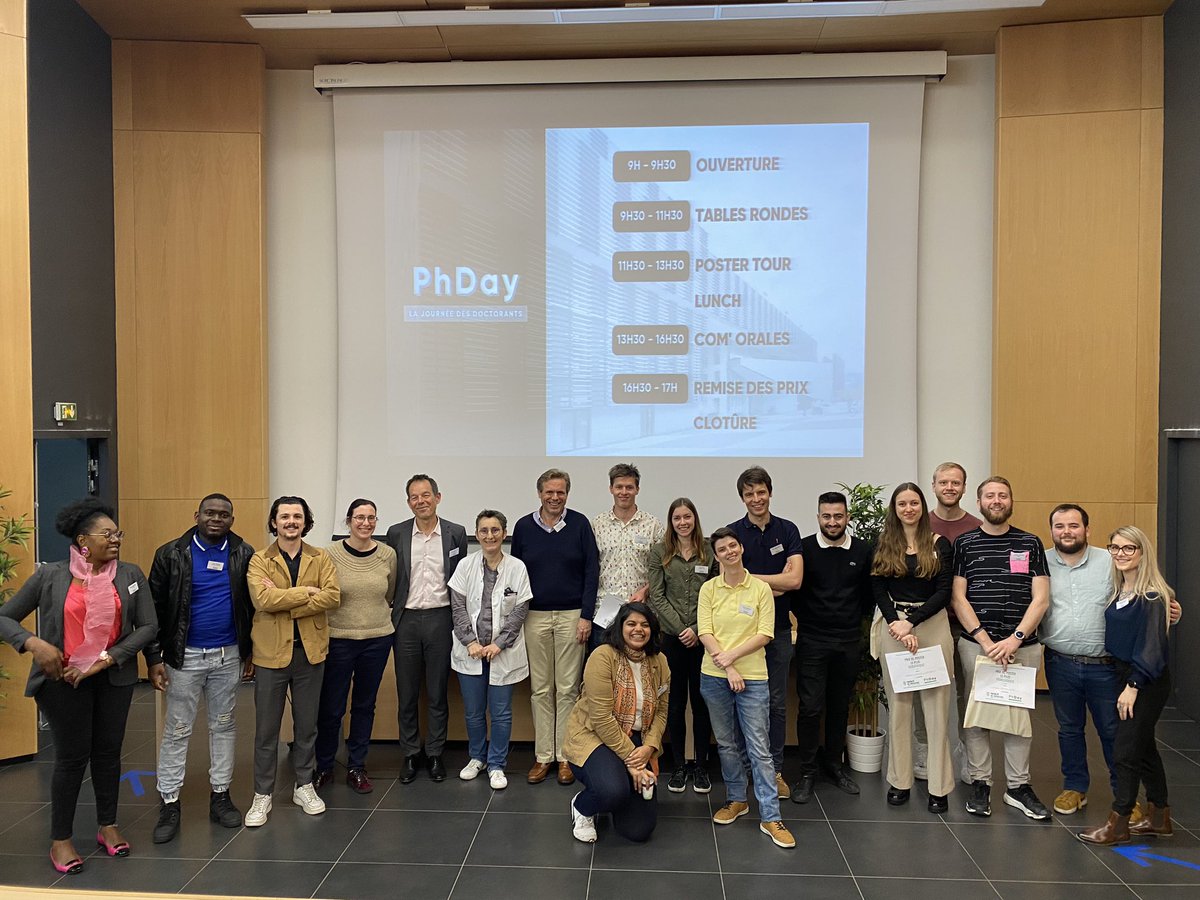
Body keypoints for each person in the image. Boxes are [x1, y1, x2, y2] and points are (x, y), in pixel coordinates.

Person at [0, 499, 157, 874]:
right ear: (83, 541)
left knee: (108, 753)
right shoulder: (50, 576)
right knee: (71, 759)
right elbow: (5, 618)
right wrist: (34, 644)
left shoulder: (130, 574)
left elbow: (149, 627)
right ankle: (61, 840)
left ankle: (107, 825)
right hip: (63, 681)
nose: (116, 539)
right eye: (108, 534)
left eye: (118, 533)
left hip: (113, 678)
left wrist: (109, 659)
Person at [1044, 504, 1182, 817]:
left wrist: (1171, 610)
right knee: (1069, 728)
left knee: (1114, 732)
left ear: (1087, 529)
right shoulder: (1042, 562)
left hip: (1105, 666)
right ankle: (1075, 788)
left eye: (1074, 525)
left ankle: (1126, 796)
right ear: (1051, 530)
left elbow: (1147, 594)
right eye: (1060, 526)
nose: (1067, 531)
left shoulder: (1110, 560)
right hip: (1060, 661)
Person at [148, 493, 255, 844]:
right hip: (185, 656)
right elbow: (154, 610)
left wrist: (249, 653)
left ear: (231, 520)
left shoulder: (244, 553)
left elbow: (251, 609)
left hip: (229, 655)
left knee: (223, 726)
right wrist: (154, 658)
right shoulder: (170, 554)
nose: (216, 518)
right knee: (178, 729)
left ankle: (220, 796)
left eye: (224, 514)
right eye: (209, 512)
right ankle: (169, 802)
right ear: (196, 515)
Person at [951, 476, 1050, 820]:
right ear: (978, 503)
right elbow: (958, 597)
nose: (996, 500)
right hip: (977, 645)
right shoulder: (964, 543)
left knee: (1016, 717)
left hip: (1022, 646)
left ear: (1011, 501)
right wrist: (985, 640)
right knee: (976, 717)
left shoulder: (1030, 542)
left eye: (1002, 495)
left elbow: (1041, 598)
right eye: (989, 496)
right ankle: (981, 783)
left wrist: (1015, 639)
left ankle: (1018, 787)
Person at [245, 496, 341, 827]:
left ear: (305, 521)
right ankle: (263, 794)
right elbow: (262, 599)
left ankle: (304, 785)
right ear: (273, 522)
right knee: (267, 729)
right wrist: (307, 593)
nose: (290, 521)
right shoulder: (259, 559)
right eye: (284, 516)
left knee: (307, 725)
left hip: (310, 653)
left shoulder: (321, 557)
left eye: (297, 516)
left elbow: (333, 597)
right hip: (271, 655)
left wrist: (286, 600)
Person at [1079, 526, 1177, 845]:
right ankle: (1159, 816)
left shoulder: (1152, 595)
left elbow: (1153, 648)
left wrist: (1133, 685)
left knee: (1125, 751)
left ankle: (1118, 822)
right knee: (1144, 747)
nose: (1120, 554)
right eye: (1115, 548)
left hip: (1143, 679)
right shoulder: (1120, 591)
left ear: (1142, 553)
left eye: (1129, 548)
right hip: (1123, 675)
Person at [699, 528, 795, 849]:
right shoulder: (709, 589)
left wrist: (733, 660)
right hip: (714, 676)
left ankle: (770, 816)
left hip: (753, 677)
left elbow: (765, 634)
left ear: (741, 548)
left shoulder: (760, 589)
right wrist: (726, 666)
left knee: (759, 747)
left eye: (733, 546)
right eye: (722, 549)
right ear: (716, 556)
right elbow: (705, 632)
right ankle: (736, 799)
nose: (729, 552)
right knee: (726, 743)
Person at [511, 468, 599, 786]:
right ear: (540, 494)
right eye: (549, 492)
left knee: (567, 690)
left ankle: (565, 757)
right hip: (534, 616)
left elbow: (592, 571)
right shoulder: (523, 527)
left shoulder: (579, 524)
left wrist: (586, 616)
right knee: (540, 689)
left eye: (560, 492)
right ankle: (543, 756)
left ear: (567, 494)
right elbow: (515, 573)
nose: (554, 497)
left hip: (572, 616)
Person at [869, 484, 955, 813]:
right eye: (902, 503)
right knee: (899, 708)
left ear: (922, 506)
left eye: (914, 503)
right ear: (895, 507)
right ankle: (899, 781)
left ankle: (939, 786)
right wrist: (897, 623)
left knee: (936, 711)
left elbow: (944, 592)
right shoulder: (884, 544)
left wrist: (913, 622)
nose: (909, 508)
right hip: (895, 627)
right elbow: (877, 587)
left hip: (931, 626)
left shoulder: (938, 544)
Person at [384, 475, 468, 784]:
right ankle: (409, 753)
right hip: (405, 620)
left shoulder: (455, 533)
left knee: (436, 692)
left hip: (440, 619)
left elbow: (460, 580)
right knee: (406, 692)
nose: (421, 501)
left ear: (438, 497)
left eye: (426, 495)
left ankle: (434, 753)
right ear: (409, 502)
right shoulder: (396, 533)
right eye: (414, 497)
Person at [791, 491, 874, 804]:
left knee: (840, 705)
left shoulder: (863, 550)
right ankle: (808, 770)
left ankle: (835, 766)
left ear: (847, 517)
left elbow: (867, 596)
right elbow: (797, 592)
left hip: (848, 639)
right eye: (826, 516)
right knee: (811, 707)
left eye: (838, 516)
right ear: (818, 518)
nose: (832, 522)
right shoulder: (805, 548)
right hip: (813, 638)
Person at [563, 603, 670, 843]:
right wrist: (635, 761)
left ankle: (615, 791)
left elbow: (662, 711)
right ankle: (583, 806)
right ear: (620, 626)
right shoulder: (602, 656)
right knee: (612, 790)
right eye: (631, 624)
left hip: (638, 740)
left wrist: (649, 748)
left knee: (638, 830)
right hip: (594, 736)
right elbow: (601, 718)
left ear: (652, 629)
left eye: (644, 625)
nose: (638, 630)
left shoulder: (659, 661)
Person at [727, 466, 802, 800]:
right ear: (742, 497)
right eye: (749, 494)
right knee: (743, 702)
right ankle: (747, 772)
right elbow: (728, 584)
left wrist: (751, 580)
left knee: (775, 704)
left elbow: (795, 581)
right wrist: (774, 582)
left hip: (779, 629)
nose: (756, 499)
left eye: (761, 492)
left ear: (770, 492)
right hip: (741, 636)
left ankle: (774, 771)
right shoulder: (731, 533)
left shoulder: (788, 530)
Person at [314, 499, 397, 794]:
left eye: (371, 518)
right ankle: (324, 765)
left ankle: (357, 766)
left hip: (376, 639)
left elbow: (390, 594)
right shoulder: (329, 554)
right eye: (359, 517)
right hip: (338, 639)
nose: (366, 523)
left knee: (364, 705)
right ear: (348, 521)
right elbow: (323, 592)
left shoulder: (387, 554)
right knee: (332, 707)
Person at [448, 510, 533, 790]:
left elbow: (520, 609)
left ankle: (496, 764)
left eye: (495, 530)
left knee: (500, 712)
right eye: (484, 530)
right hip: (470, 651)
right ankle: (476, 758)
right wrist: (469, 641)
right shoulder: (465, 566)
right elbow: (458, 607)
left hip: (502, 652)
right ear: (477, 533)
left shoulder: (517, 567)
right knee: (473, 712)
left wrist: (500, 643)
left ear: (504, 534)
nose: (489, 536)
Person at [916, 461, 982, 779]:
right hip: (931, 620)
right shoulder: (920, 525)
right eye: (944, 482)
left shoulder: (977, 527)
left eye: (956, 483)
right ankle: (924, 754)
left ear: (964, 488)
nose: (949, 488)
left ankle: (970, 758)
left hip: (968, 625)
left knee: (967, 691)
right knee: (926, 688)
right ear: (934, 486)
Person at [647, 498, 716, 794]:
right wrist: (681, 630)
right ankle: (677, 766)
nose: (683, 522)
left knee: (702, 704)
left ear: (695, 519)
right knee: (673, 705)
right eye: (677, 518)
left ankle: (700, 766)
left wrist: (698, 630)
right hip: (671, 642)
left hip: (705, 640)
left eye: (688, 516)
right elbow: (657, 596)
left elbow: (718, 595)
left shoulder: (710, 550)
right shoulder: (659, 551)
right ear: (671, 521)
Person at [589, 463, 664, 652]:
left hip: (642, 613)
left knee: (641, 672)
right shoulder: (597, 525)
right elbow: (589, 568)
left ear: (637, 489)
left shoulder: (653, 525)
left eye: (629, 487)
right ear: (611, 489)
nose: (624, 492)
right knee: (605, 672)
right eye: (619, 487)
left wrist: (646, 591)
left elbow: (664, 568)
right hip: (604, 613)